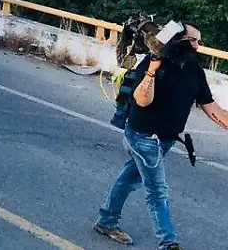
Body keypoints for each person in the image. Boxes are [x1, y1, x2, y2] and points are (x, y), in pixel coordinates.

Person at [94, 23, 228, 249]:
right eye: (193, 40)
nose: (197, 46)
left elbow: (208, 104)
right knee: (157, 190)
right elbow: (142, 100)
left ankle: (106, 220)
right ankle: (168, 242)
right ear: (178, 41)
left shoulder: (194, 69)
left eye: (198, 41)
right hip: (143, 137)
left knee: (128, 178)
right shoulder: (152, 62)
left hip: (165, 139)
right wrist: (152, 69)